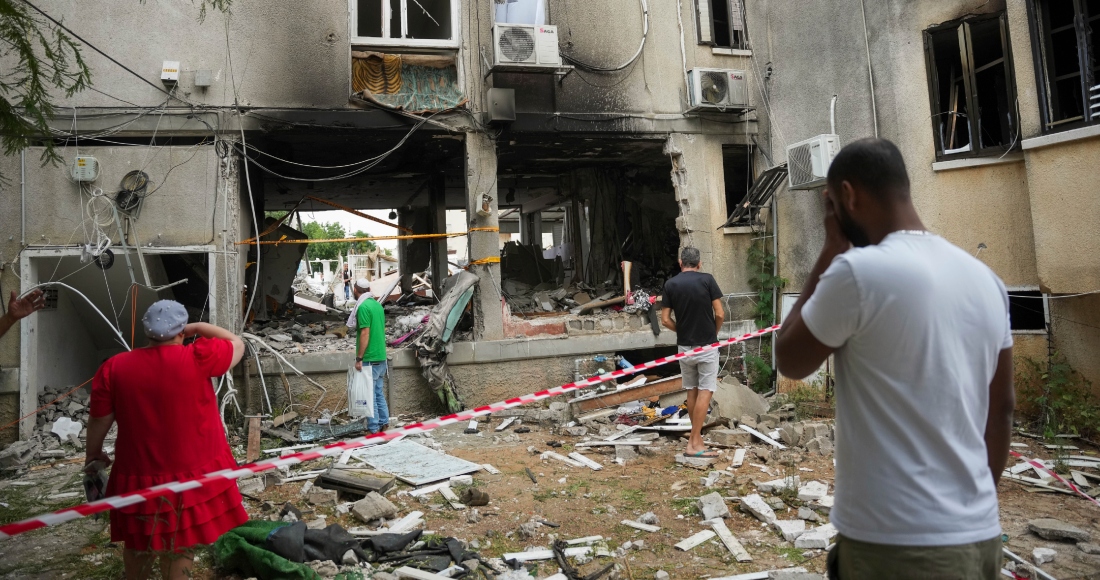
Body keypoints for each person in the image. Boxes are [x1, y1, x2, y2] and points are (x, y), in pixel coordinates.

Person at [775, 138, 1013, 580]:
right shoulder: (987, 281)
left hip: (896, 544)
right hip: (979, 537)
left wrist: (830, 250)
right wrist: (969, 510)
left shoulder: (857, 273)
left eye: (831, 205)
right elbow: (1001, 410)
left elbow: (789, 358)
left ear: (848, 196)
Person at [85, 300, 248, 580]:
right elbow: (238, 344)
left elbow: (100, 420)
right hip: (190, 473)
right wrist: (198, 327)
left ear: (147, 332)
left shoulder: (115, 367)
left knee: (138, 542)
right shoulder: (199, 357)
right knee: (179, 544)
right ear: (181, 331)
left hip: (137, 474)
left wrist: (94, 454)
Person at [661, 247, 724, 458]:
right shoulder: (707, 280)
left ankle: (697, 440)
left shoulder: (670, 284)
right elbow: (720, 313)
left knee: (692, 391)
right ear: (699, 264)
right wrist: (713, 332)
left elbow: (665, 320)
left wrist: (681, 331)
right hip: (706, 346)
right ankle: (693, 442)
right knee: (706, 391)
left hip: (684, 348)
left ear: (680, 263)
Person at [350, 278, 389, 433]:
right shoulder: (377, 305)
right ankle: (384, 423)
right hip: (381, 356)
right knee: (378, 392)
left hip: (370, 358)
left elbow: (365, 333)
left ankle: (373, 428)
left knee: (369, 394)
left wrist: (359, 358)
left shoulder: (363, 307)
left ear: (355, 290)